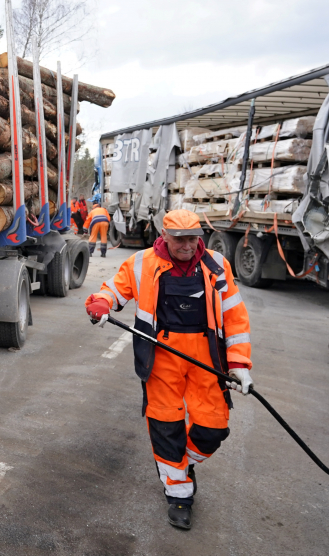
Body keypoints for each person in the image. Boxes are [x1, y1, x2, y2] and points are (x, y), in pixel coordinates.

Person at [83, 209, 253, 530]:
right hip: (161, 358)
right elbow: (113, 290)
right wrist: (101, 303)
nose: (188, 245)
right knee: (166, 428)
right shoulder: (142, 263)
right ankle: (179, 495)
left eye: (193, 238)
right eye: (180, 239)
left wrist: (240, 364)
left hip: (206, 360)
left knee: (214, 428)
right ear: (164, 235)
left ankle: (182, 464)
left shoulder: (216, 265)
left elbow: (235, 316)